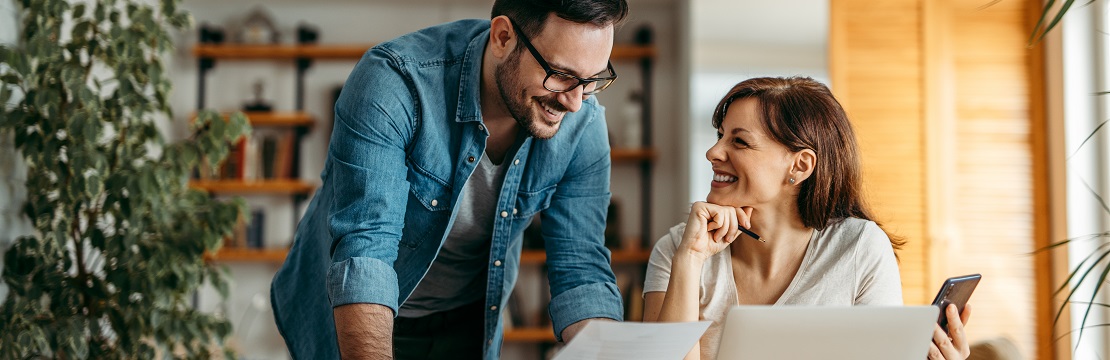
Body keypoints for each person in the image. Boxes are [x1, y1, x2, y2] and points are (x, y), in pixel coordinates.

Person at [270, 1, 629, 359]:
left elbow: (581, 267)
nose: (575, 103)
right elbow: (367, 250)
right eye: (561, 74)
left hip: (468, 321)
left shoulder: (583, 124)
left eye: (592, 80)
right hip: (363, 317)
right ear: (503, 37)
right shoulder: (394, 82)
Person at [642, 77, 973, 360]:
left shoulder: (860, 248)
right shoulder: (678, 249)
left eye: (739, 141)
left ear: (799, 166)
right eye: (720, 135)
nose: (713, 153)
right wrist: (690, 260)